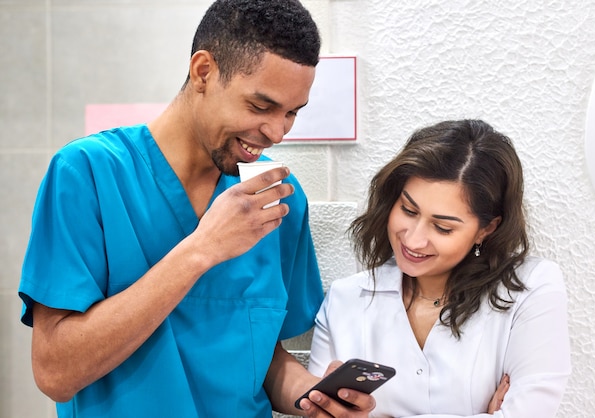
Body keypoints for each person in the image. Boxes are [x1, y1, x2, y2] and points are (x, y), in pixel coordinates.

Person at [18, 1, 375, 417]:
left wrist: (314, 396)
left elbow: (265, 362)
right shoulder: (88, 174)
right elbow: (55, 373)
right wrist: (202, 249)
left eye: (292, 112)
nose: (277, 132)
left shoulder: (278, 198)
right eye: (261, 106)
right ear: (203, 71)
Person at [307, 119, 571, 417]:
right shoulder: (346, 299)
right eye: (408, 210)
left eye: (443, 227)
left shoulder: (531, 288)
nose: (414, 240)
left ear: (487, 229)